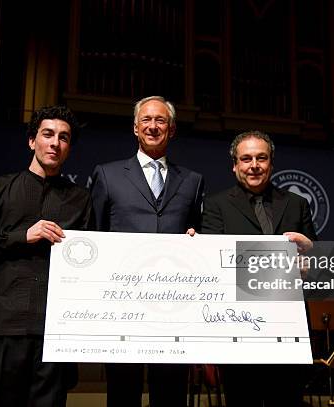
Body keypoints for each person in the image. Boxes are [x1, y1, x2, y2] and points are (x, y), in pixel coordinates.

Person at [0, 105, 93, 407]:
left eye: (64, 138)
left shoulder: (81, 200)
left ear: (69, 148)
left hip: (57, 328)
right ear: (32, 141)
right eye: (48, 134)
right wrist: (22, 236)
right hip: (6, 323)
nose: (55, 143)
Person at [90, 95, 204, 407]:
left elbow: (196, 236)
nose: (153, 126)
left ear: (172, 129)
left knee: (170, 393)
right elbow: (96, 235)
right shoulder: (107, 174)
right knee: (123, 393)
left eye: (161, 120)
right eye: (146, 120)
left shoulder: (193, 182)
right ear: (136, 128)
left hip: (173, 310)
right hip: (122, 307)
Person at [200, 130, 316, 407]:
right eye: (246, 158)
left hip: (288, 327)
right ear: (235, 165)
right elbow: (214, 265)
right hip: (239, 327)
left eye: (261, 158)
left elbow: (315, 261)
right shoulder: (216, 205)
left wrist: (309, 260)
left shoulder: (297, 204)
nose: (254, 165)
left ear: (271, 164)